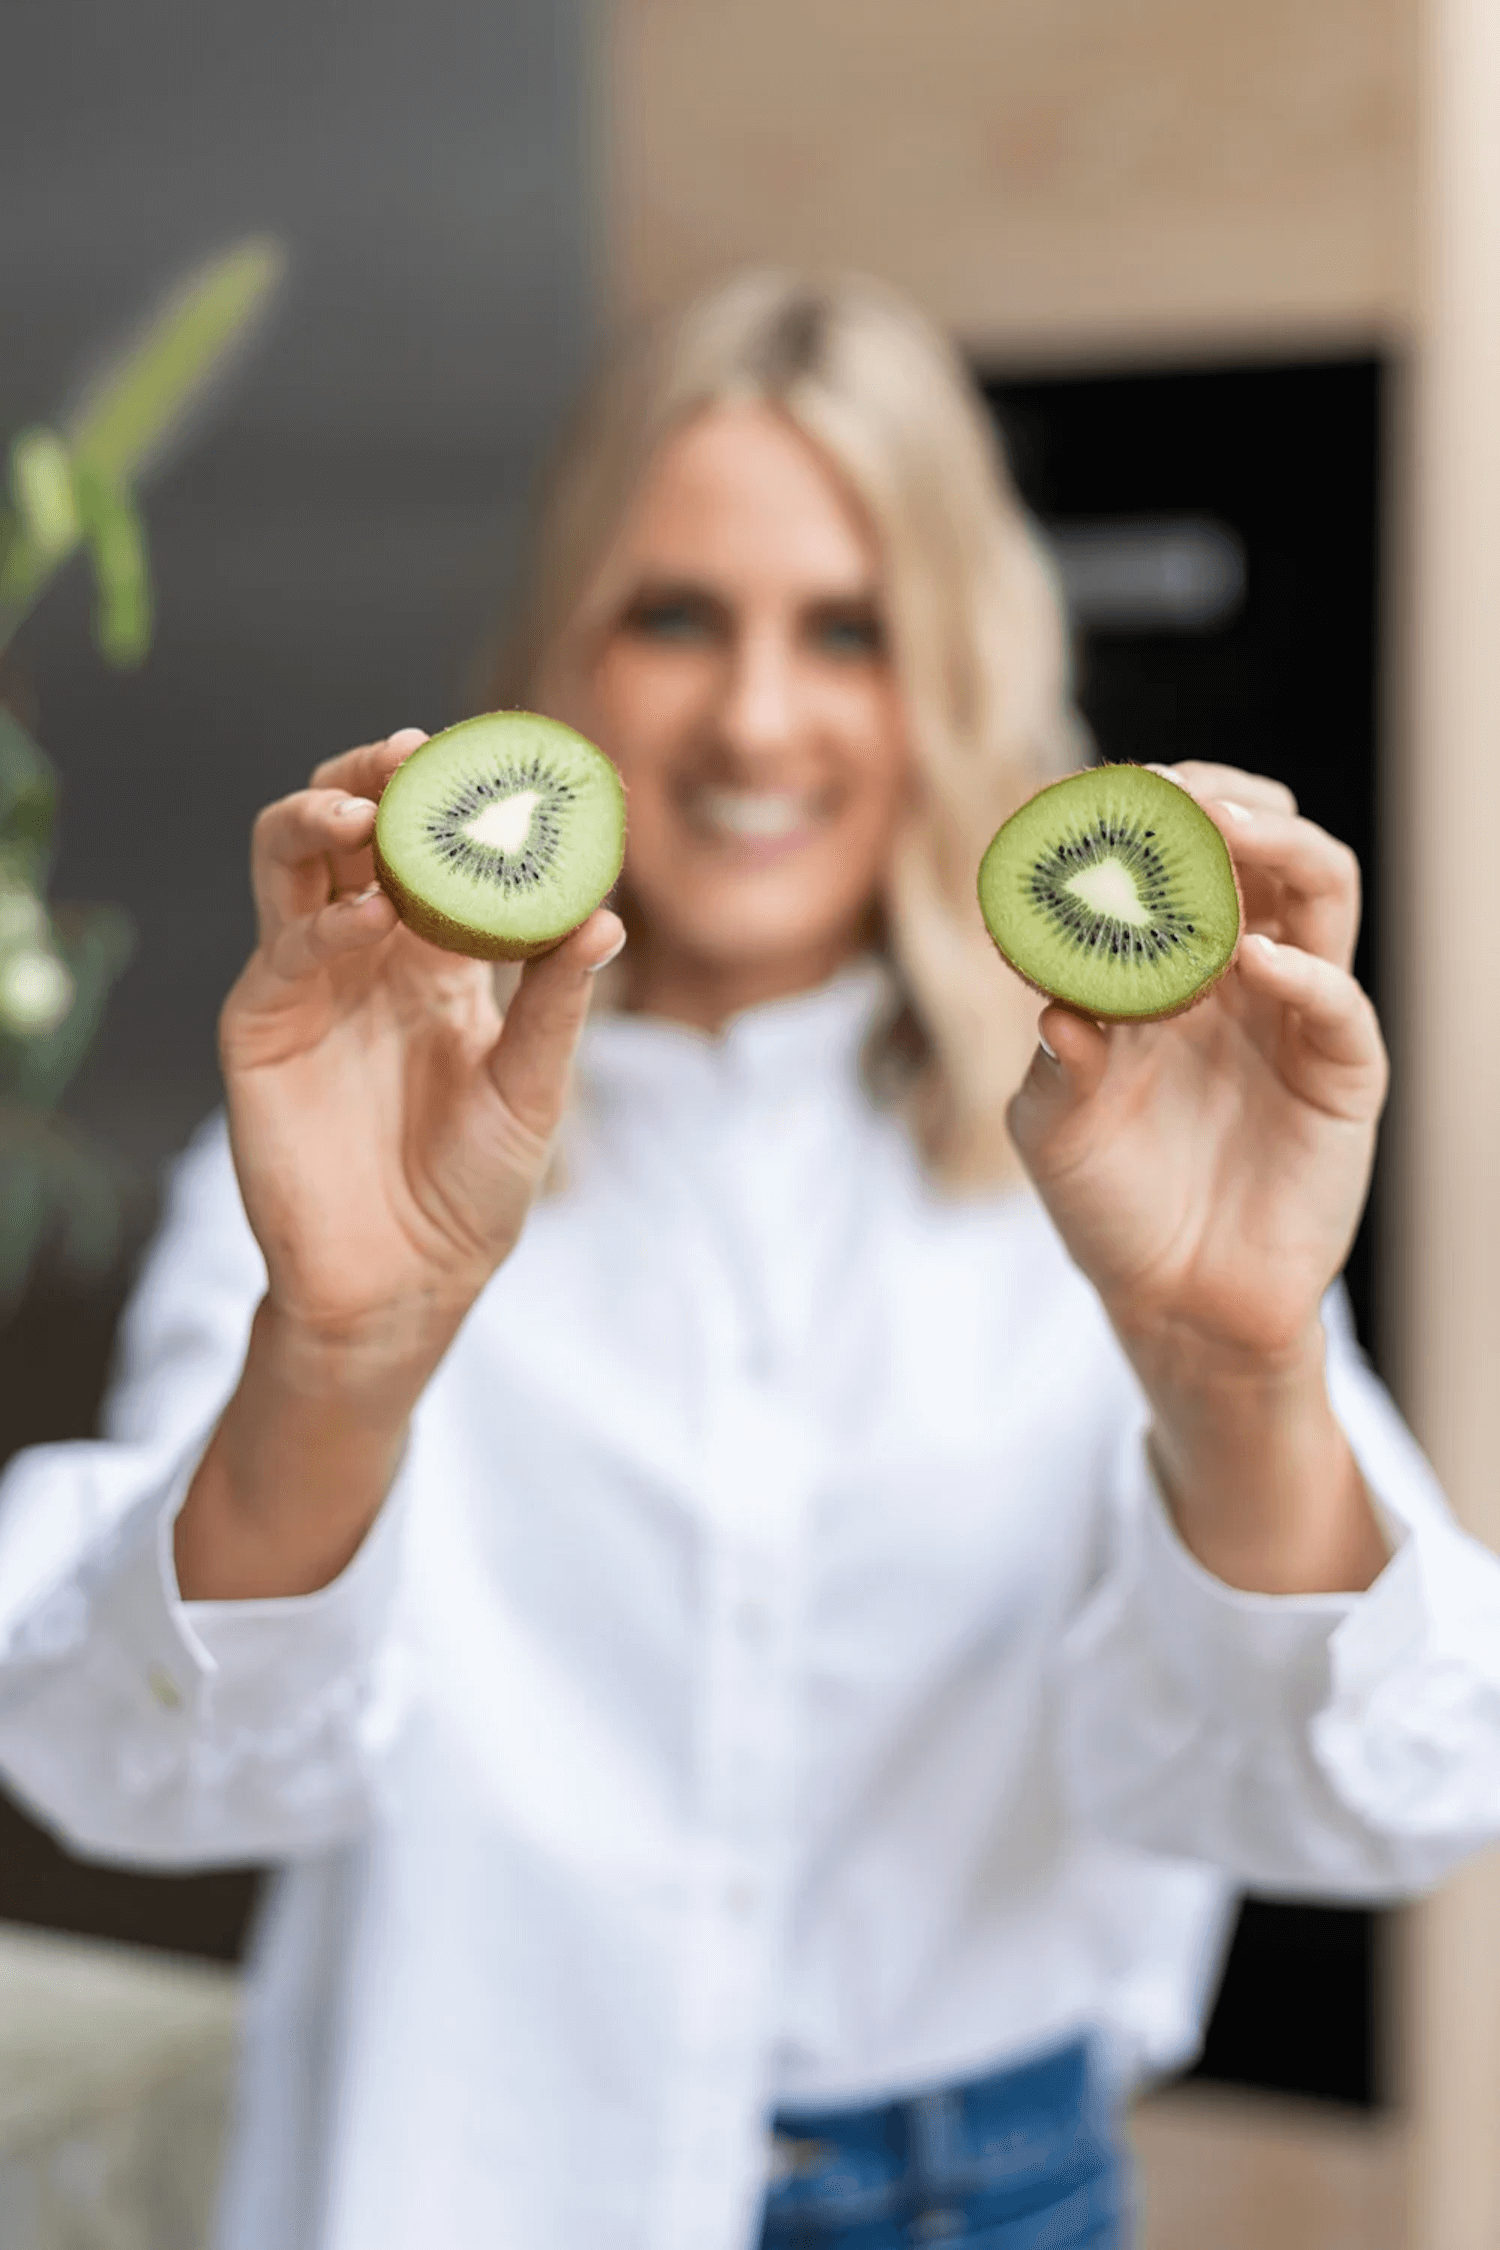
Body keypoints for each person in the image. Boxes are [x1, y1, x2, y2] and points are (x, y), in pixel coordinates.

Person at [2, 269, 1499, 2250]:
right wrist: (344, 1352)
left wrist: (1235, 1363)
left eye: (850, 630)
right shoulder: (349, 1143)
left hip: (993, 2193)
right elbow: (132, 1766)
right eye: (678, 614)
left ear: (950, 667)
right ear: (565, 656)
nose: (759, 716)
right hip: (476, 2186)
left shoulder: (1128, 1137)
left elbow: (1395, 1791)